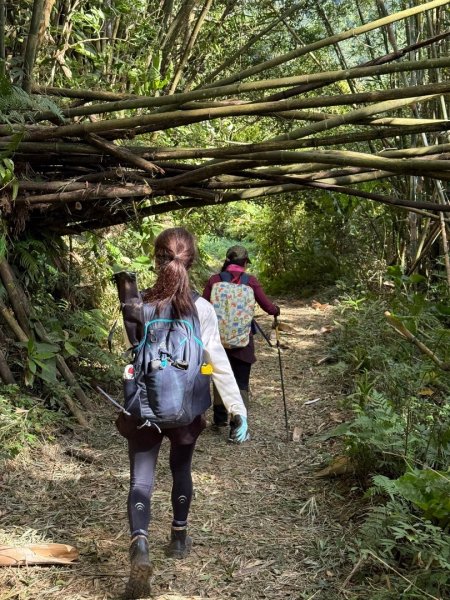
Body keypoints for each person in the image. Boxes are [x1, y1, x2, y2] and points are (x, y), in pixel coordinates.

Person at [115, 228, 249, 600]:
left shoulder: (140, 305)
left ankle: (140, 544)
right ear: (191, 261)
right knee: (181, 470)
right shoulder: (201, 308)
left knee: (140, 481)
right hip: (187, 410)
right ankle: (178, 538)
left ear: (158, 261)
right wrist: (237, 410)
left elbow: (134, 349)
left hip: (144, 410)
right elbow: (216, 361)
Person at [202, 245, 280, 428]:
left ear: (227, 261)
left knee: (220, 374)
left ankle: (220, 419)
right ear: (245, 263)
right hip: (243, 341)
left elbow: (204, 306)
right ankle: (239, 422)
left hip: (217, 340)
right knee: (241, 380)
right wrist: (277, 310)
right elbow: (268, 308)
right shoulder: (250, 281)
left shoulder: (214, 280)